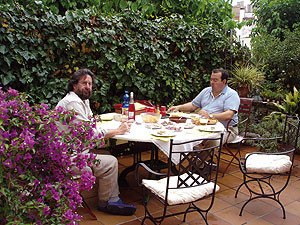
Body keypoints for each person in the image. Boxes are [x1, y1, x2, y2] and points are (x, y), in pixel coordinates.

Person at [56, 68, 136, 216]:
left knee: (105, 154)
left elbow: (91, 124)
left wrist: (114, 128)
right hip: (68, 157)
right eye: (84, 83)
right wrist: (117, 131)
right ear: (74, 85)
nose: (88, 87)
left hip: (75, 149)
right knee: (111, 162)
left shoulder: (82, 100)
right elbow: (89, 134)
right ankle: (107, 203)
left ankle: (111, 197)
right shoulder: (73, 102)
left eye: (90, 84)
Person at [168, 69, 240, 146]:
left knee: (213, 142)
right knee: (184, 135)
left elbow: (229, 115)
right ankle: (197, 157)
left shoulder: (231, 94)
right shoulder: (206, 91)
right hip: (203, 127)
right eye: (211, 79)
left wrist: (210, 116)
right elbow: (193, 105)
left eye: (215, 80)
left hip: (227, 129)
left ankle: (200, 157)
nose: (212, 82)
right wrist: (179, 107)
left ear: (224, 81)